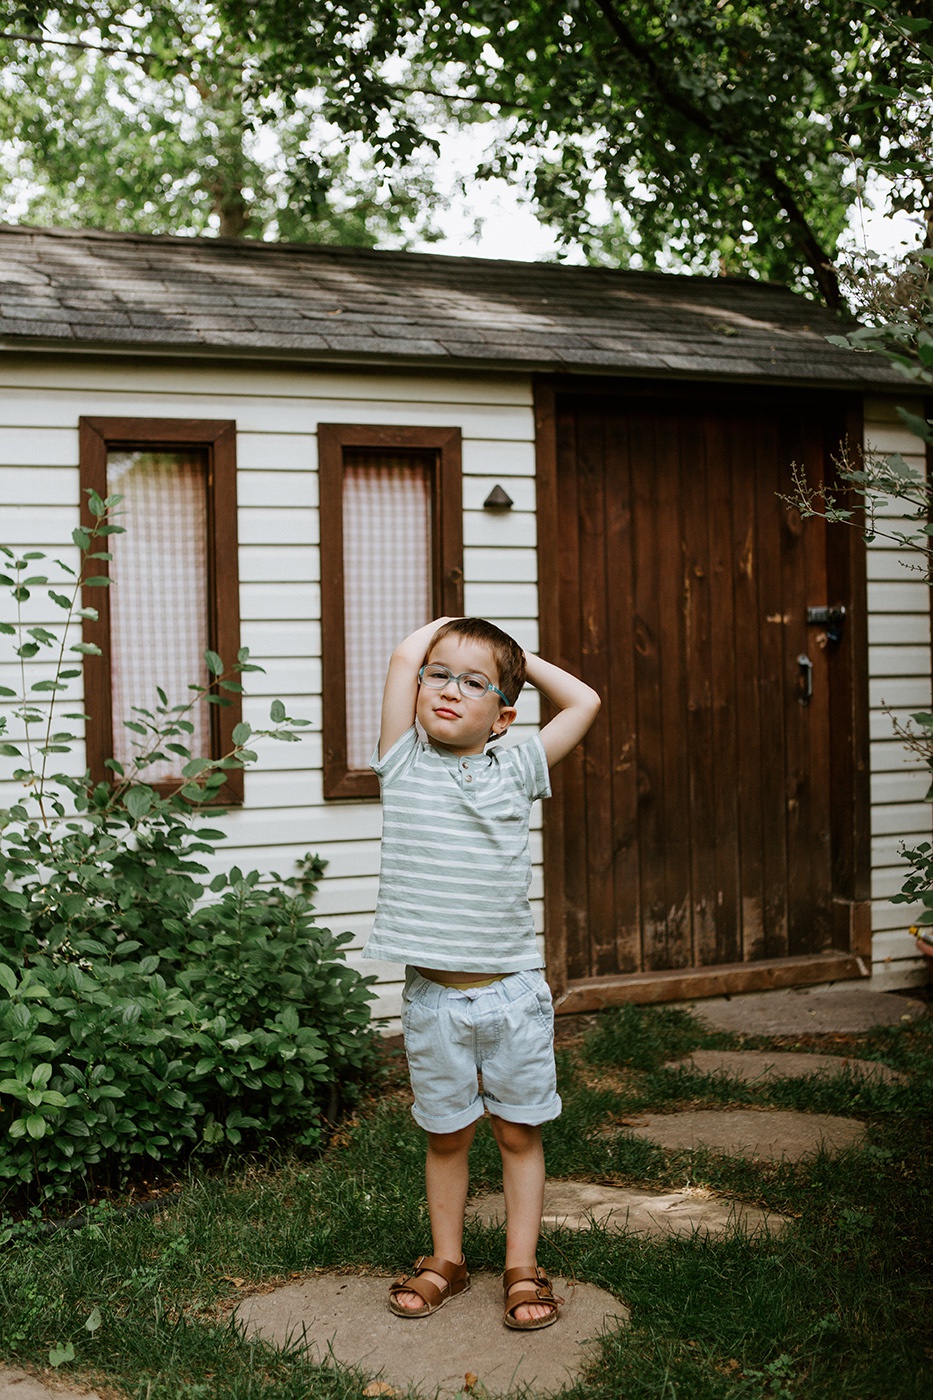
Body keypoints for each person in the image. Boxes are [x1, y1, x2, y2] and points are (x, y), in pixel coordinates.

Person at [363, 616, 600, 1330]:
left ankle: (521, 1267)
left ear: (503, 716)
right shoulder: (400, 760)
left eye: (473, 684)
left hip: (511, 997)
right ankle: (447, 1260)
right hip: (433, 1001)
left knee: (518, 1133)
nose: (446, 689)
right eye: (437, 675)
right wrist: (444, 632)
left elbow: (583, 702)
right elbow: (405, 654)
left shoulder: (517, 767)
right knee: (445, 1136)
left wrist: (515, 656)